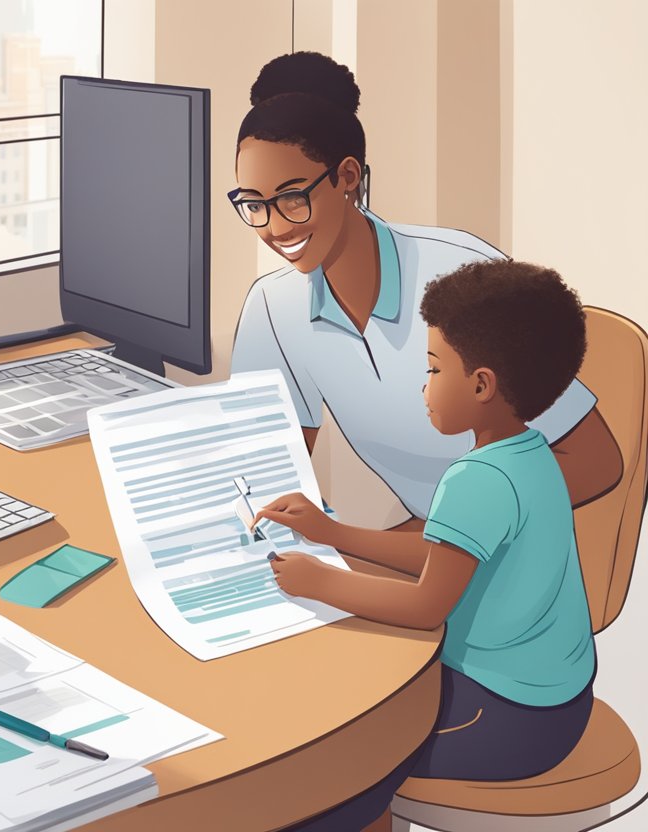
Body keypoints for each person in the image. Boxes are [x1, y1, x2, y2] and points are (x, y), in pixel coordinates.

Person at [256, 260, 597, 831]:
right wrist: (333, 533)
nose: (423, 387)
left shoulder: (477, 480)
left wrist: (322, 581)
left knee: (341, 761)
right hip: (556, 699)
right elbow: (447, 559)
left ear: (482, 385)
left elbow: (425, 605)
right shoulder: (530, 455)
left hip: (511, 715)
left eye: (434, 369)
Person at [230, 52, 621, 520]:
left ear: (348, 177)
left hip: (499, 544)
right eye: (254, 204)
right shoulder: (272, 306)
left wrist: (430, 544)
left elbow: (594, 463)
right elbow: (263, 476)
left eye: (292, 199)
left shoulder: (459, 274)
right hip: (417, 547)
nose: (274, 227)